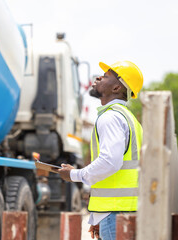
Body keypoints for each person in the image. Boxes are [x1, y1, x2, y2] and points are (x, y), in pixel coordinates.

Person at [58, 60, 143, 240]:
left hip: (116, 213)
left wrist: (74, 175)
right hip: (124, 211)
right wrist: (97, 215)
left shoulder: (110, 117)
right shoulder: (128, 118)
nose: (98, 77)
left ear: (116, 88)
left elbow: (110, 162)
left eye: (105, 76)